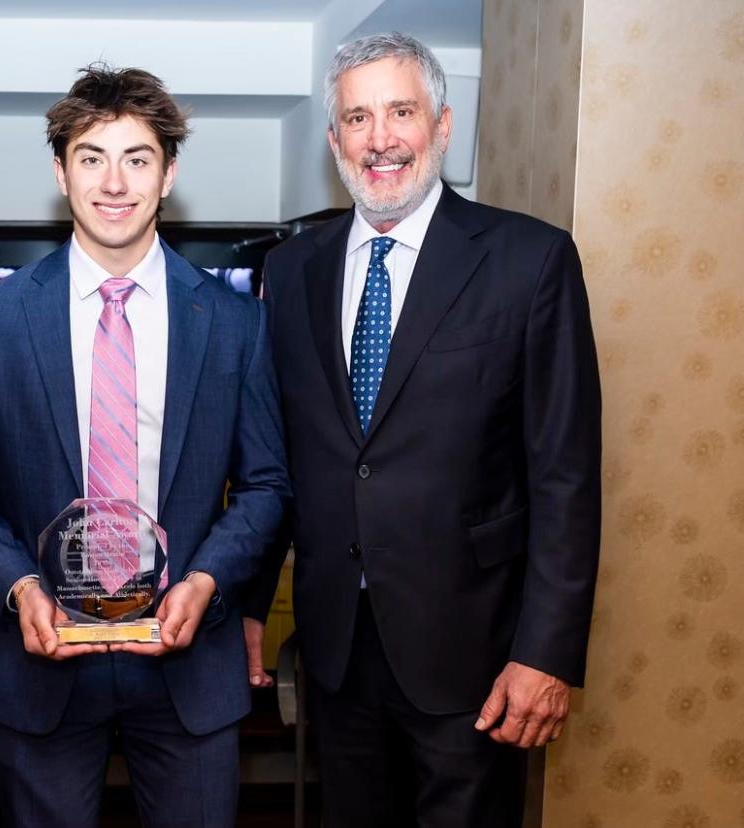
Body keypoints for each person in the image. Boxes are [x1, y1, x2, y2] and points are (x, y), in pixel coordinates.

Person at [250, 32, 601, 827]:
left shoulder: (529, 261)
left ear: (443, 124)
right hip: (337, 649)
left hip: (474, 652)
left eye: (400, 111)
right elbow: (284, 453)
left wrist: (545, 653)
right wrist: (247, 603)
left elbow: (565, 477)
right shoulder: (292, 270)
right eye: (357, 117)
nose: (380, 138)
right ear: (333, 139)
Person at [0, 65, 289, 828]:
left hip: (188, 662)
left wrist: (211, 580)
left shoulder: (233, 322)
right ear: (61, 173)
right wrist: (18, 586)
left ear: (169, 174)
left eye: (137, 158)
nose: (114, 182)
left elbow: (266, 486)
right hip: (40, 659)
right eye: (91, 158)